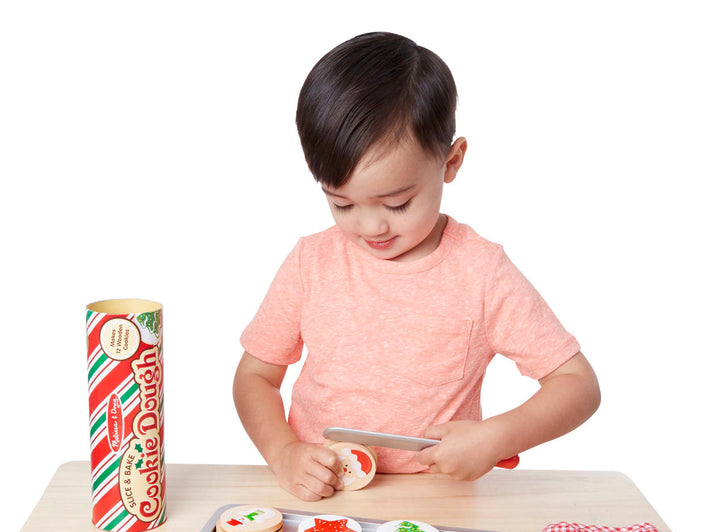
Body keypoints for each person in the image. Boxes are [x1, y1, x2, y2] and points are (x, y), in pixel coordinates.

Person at [234, 32, 601, 502]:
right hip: (318, 494)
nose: (370, 227)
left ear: (451, 161)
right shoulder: (311, 262)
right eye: (341, 204)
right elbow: (255, 378)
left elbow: (577, 385)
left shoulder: (481, 272)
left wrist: (497, 437)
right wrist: (284, 454)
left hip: (436, 501)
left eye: (398, 203)